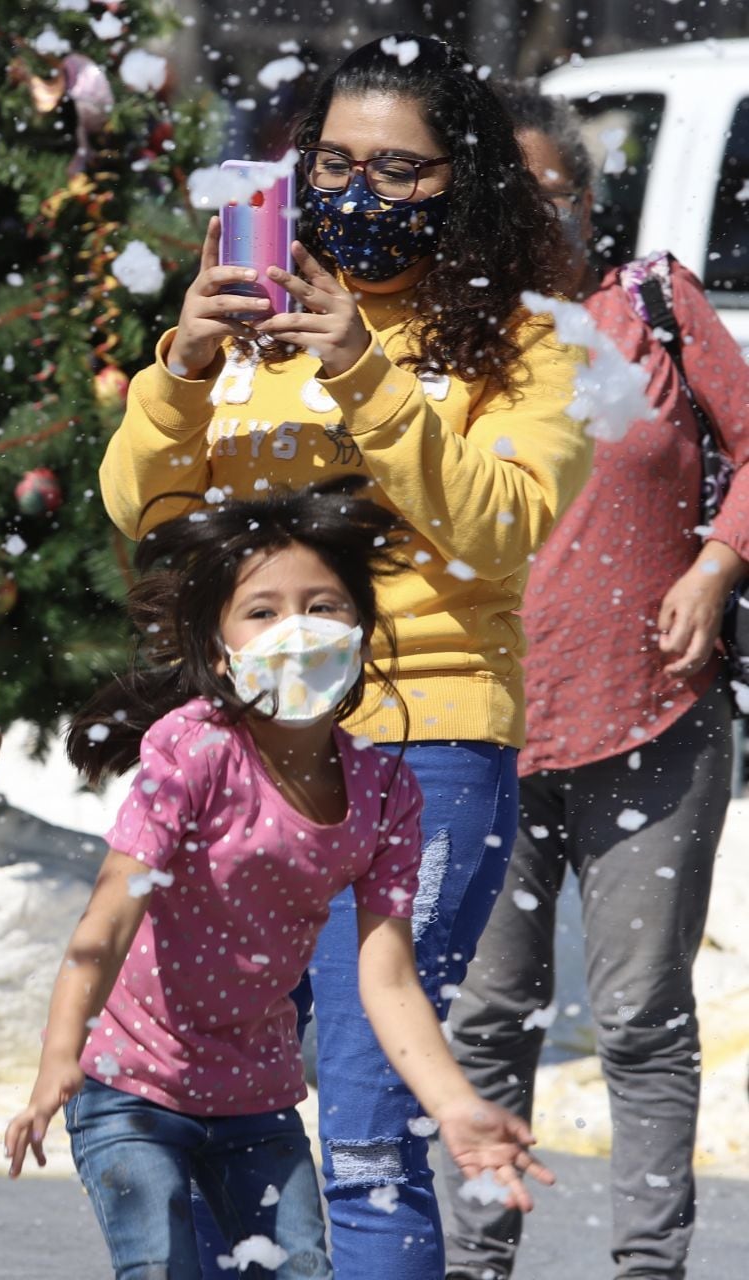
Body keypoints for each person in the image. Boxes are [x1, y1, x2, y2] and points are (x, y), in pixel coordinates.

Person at [95, 32, 594, 1278]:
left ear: (462, 181)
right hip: (248, 749)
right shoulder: (254, 322)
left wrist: (366, 373)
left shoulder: (526, 343)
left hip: (425, 739)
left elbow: (499, 527)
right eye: (331, 163)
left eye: (396, 170)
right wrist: (183, 368)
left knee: (368, 1123)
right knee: (213, 1094)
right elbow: (140, 510)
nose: (355, 195)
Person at [2, 478, 555, 1280]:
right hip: (131, 1084)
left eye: (323, 606)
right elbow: (112, 915)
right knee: (160, 1267)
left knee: (299, 1268)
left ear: (363, 631)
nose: (296, 630)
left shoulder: (386, 791)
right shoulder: (193, 748)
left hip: (258, 1101)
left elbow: (389, 979)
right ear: (222, 650)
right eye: (262, 611)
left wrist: (455, 1105)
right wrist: (63, 1054)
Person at [440, 85, 749, 1280]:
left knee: (638, 1017)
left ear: (583, 196)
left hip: (656, 714)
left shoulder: (654, 306)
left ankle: (644, 1265)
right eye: (503, 196)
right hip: (481, 728)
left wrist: (715, 565)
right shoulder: (449, 334)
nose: (531, 217)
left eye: (549, 192)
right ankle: (475, 1261)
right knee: (481, 1020)